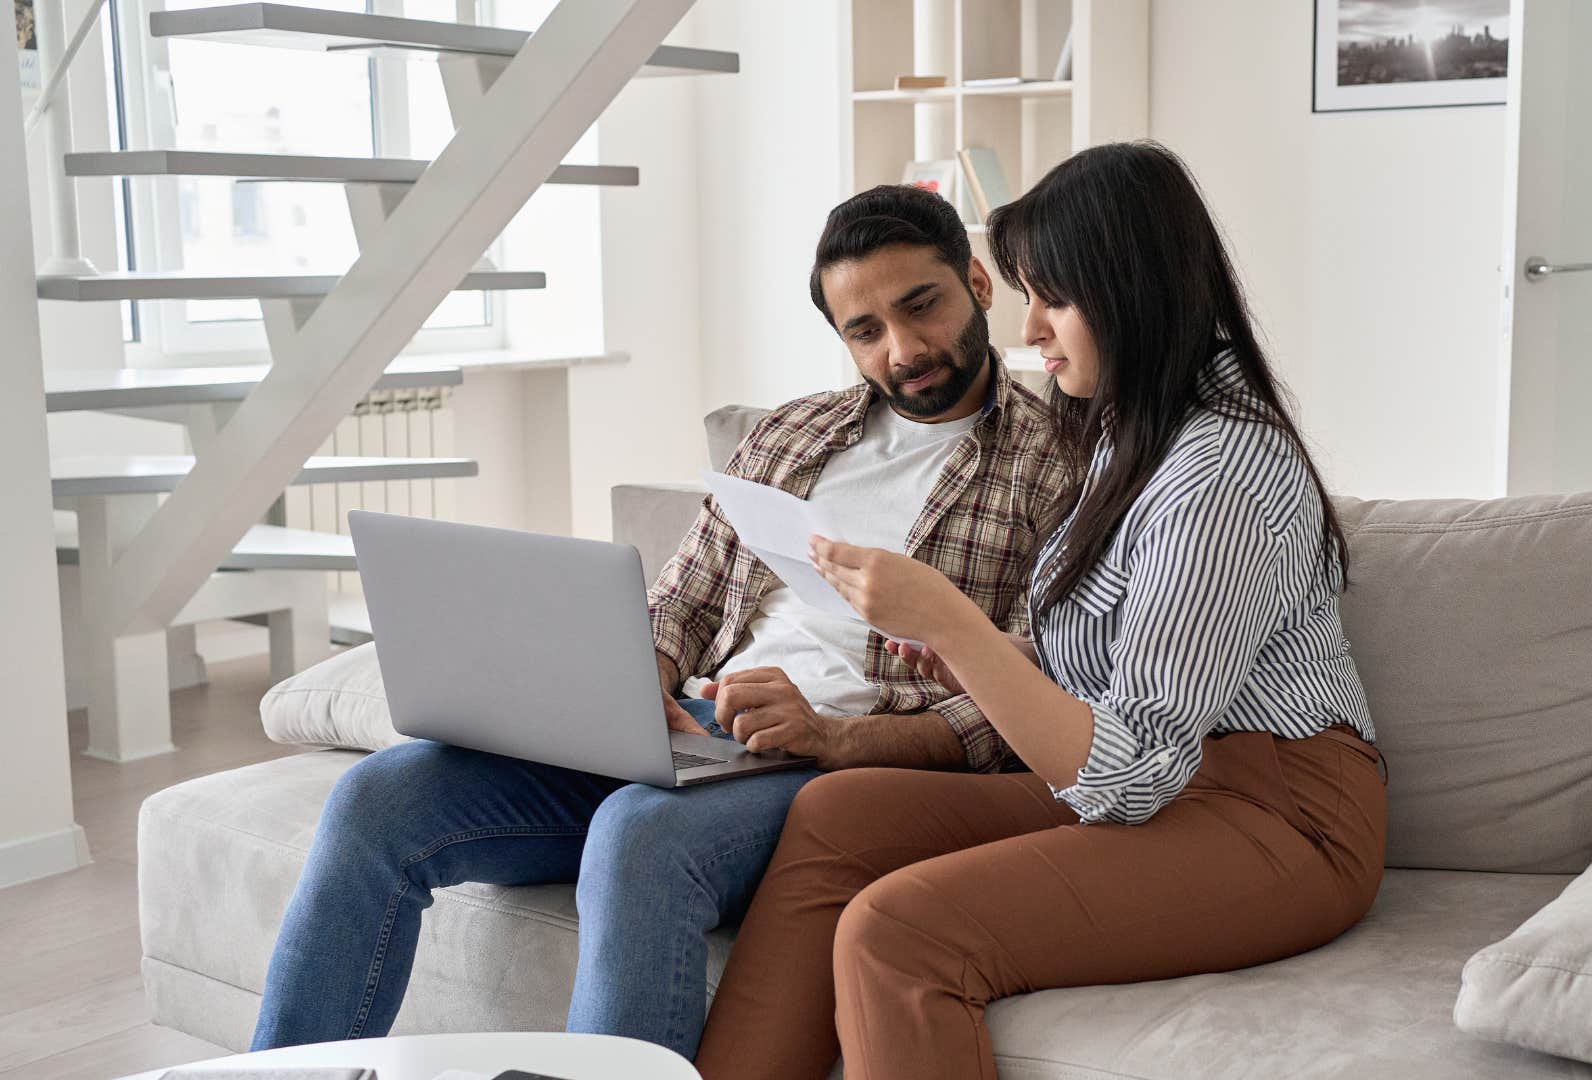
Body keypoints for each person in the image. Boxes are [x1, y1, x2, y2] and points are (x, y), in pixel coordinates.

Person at [249, 184, 1074, 1061]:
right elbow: (680, 604)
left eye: (921, 306)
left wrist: (832, 736)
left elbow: (1023, 704)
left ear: (977, 284)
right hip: (695, 733)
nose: (902, 350)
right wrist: (634, 679)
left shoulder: (1059, 463)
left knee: (638, 835)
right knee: (379, 798)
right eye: (865, 330)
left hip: (833, 767)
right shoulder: (791, 434)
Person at [693, 141, 1385, 1080]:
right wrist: (996, 655)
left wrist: (951, 624)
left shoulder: (1219, 473)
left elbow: (1132, 774)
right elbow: (1127, 662)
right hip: (1187, 781)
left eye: (1053, 299)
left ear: (1130, 293)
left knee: (899, 931)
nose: (1029, 329)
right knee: (838, 812)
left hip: (1278, 816)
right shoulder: (1133, 428)